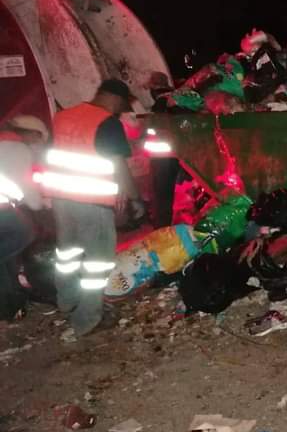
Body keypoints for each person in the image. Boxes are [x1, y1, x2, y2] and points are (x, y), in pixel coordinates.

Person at [37, 79, 145, 336]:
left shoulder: (63, 116)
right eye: (123, 103)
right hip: (90, 200)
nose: (122, 108)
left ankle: (66, 300)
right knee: (98, 262)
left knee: (68, 253)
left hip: (62, 196)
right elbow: (119, 166)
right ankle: (87, 319)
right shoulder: (107, 122)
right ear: (115, 98)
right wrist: (135, 199)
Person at [0, 116, 49, 319]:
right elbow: (28, 191)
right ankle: (10, 303)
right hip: (4, 212)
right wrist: (41, 205)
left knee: (8, 257)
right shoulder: (18, 150)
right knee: (24, 234)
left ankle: (12, 302)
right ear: (31, 134)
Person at [144, 71, 181, 227]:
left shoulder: (159, 105)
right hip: (181, 155)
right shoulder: (178, 99)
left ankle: (164, 227)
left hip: (163, 158)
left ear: (155, 89)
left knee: (164, 194)